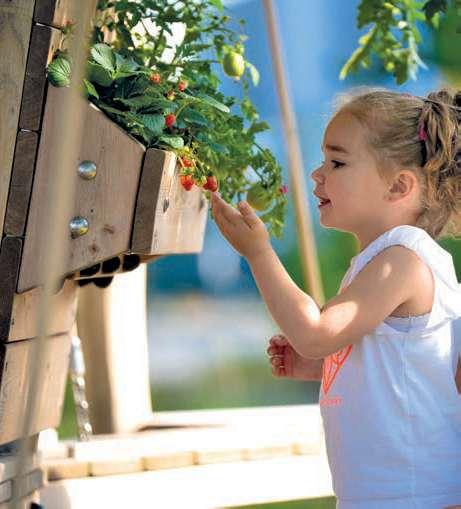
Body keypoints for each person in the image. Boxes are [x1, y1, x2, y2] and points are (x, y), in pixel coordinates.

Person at [210, 87, 461, 509]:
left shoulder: (402, 259)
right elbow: (404, 365)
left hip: (415, 498)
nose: (317, 174)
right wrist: (327, 365)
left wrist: (258, 254)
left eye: (337, 162)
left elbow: (315, 333)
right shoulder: (384, 261)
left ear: (398, 186)